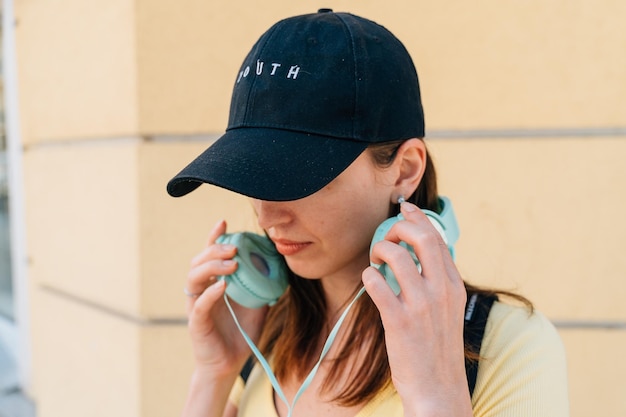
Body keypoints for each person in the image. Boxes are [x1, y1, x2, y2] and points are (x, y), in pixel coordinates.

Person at [167, 9, 569, 417]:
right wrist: (213, 374)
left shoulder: (508, 346)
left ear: (406, 169)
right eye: (252, 178)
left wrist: (435, 396)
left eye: (302, 180)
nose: (269, 218)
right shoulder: (261, 333)